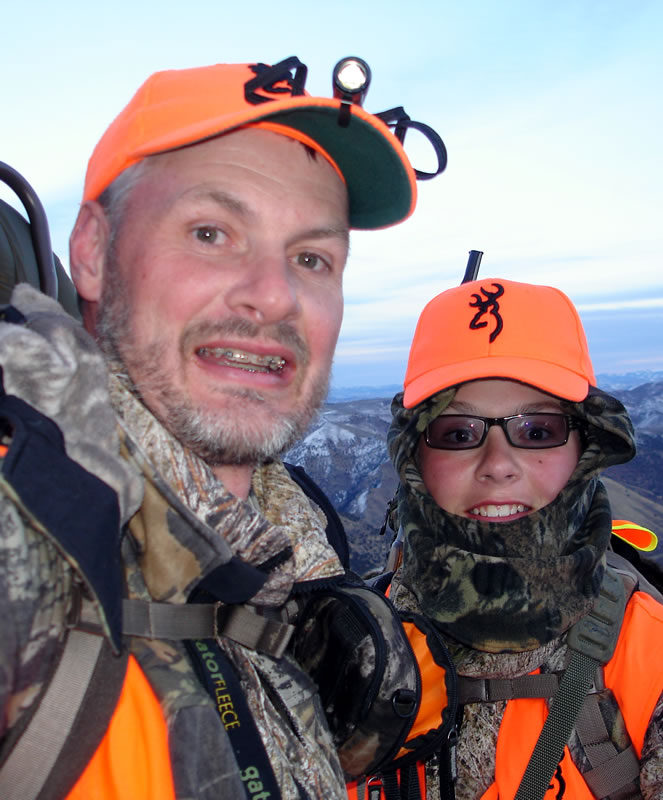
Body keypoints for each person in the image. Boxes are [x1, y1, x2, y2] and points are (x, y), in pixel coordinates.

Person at [0, 57, 444, 800]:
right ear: (92, 251)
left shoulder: (294, 547)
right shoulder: (28, 518)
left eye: (312, 257)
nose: (274, 295)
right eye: (211, 233)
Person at [380, 278, 663, 799]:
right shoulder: (333, 649)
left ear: (585, 446)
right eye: (458, 433)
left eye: (537, 431)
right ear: (413, 455)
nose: (498, 464)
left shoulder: (653, 658)